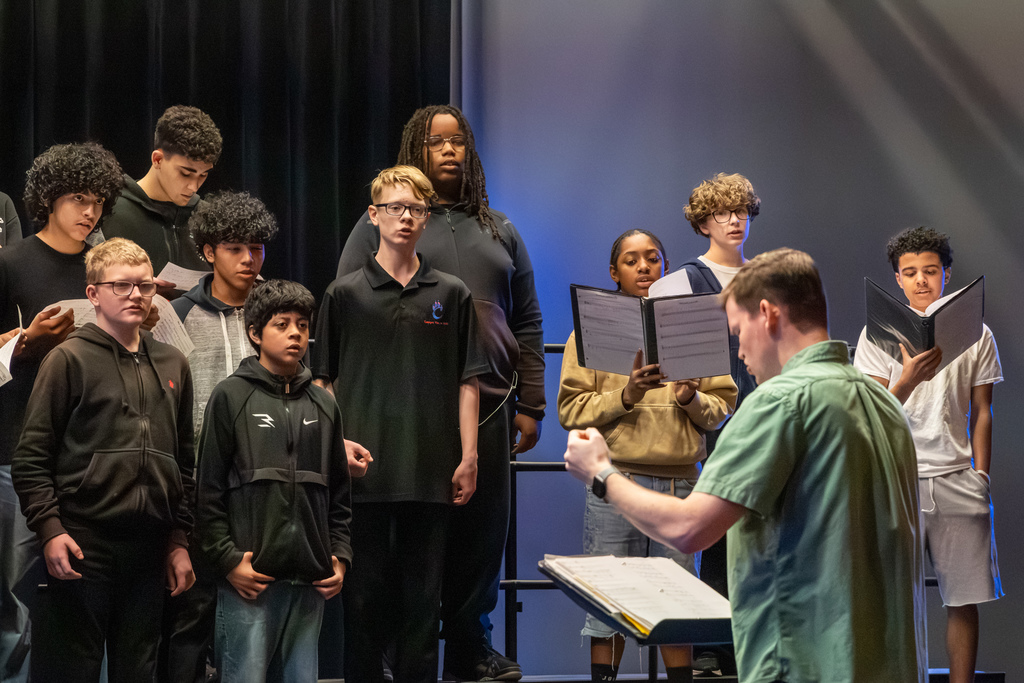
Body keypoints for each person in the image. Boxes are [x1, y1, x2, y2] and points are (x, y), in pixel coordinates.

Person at [564, 248, 927, 683]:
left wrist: (601, 472)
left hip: (802, 665)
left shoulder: (777, 403)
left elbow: (689, 529)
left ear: (768, 315)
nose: (739, 351)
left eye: (737, 330)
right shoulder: (885, 404)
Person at [336, 105, 544, 680]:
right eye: (435, 142)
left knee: (483, 536)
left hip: (491, 405)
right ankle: (386, 654)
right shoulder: (375, 225)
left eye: (457, 142)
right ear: (416, 152)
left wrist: (532, 402)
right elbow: (353, 307)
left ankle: (470, 648)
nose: (448, 150)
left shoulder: (500, 228)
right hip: (407, 411)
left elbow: (527, 318)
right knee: (410, 545)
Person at [315, 165, 488, 683]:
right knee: (362, 602)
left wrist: (470, 456)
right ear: (374, 215)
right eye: (395, 207)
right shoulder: (343, 295)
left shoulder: (452, 292)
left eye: (416, 208)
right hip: (362, 473)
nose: (406, 217)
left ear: (427, 217)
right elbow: (323, 382)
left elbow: (468, 381)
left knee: (422, 605)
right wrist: (334, 444)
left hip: (431, 471)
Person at [12, 237, 196, 683]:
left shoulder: (174, 363)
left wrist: (178, 539)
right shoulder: (67, 359)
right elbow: (31, 457)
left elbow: (186, 463)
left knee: (139, 669)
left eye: (145, 285)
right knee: (74, 668)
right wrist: (51, 530)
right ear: (93, 293)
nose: (136, 295)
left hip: (151, 545)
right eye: (121, 285)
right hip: (82, 542)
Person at [557, 229, 736, 683]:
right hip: (616, 482)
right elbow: (570, 409)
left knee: (678, 602)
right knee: (607, 601)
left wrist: (689, 398)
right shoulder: (590, 331)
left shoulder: (694, 326)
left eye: (653, 259)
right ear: (613, 272)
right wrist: (627, 394)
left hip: (681, 487)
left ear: (666, 266)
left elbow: (721, 409)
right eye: (632, 260)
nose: (643, 267)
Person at [853, 227, 1001, 683]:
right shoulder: (876, 334)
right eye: (911, 272)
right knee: (894, 600)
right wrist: (908, 378)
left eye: (931, 271)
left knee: (963, 599)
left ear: (946, 274)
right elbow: (873, 413)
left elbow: (982, 411)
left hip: (958, 477)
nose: (921, 281)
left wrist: (982, 475)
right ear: (897, 278)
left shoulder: (976, 332)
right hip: (897, 476)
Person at [0, 142, 123, 683]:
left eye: (98, 202)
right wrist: (25, 345)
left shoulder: (108, 269)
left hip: (93, 462)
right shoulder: (11, 264)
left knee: (90, 601)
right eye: (78, 199)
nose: (89, 213)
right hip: (16, 455)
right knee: (13, 599)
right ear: (50, 199)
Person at [197, 279, 352, 683]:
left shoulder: (324, 404)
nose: (295, 334)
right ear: (255, 333)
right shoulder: (230, 396)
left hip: (311, 580)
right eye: (282, 324)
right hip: (250, 582)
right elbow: (207, 492)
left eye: (302, 324)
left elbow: (339, 495)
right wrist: (229, 560)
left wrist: (339, 557)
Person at [160, 190, 280, 683]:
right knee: (190, 618)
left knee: (259, 616)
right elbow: (166, 403)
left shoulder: (277, 312)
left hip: (262, 488)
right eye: (235, 248)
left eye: (257, 247)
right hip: (196, 484)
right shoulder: (180, 313)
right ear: (208, 252)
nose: (249, 259)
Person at [648, 172, 761, 674]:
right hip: (704, 426)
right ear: (702, 224)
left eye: (741, 211)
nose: (733, 220)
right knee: (712, 535)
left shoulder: (768, 278)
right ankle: (715, 651)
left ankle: (757, 646)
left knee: (763, 535)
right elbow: (660, 356)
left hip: (764, 419)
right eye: (721, 213)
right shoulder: (676, 283)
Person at [95, 104, 222, 276]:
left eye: (203, 175)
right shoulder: (109, 212)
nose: (194, 187)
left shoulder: (209, 216)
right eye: (185, 174)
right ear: (157, 160)